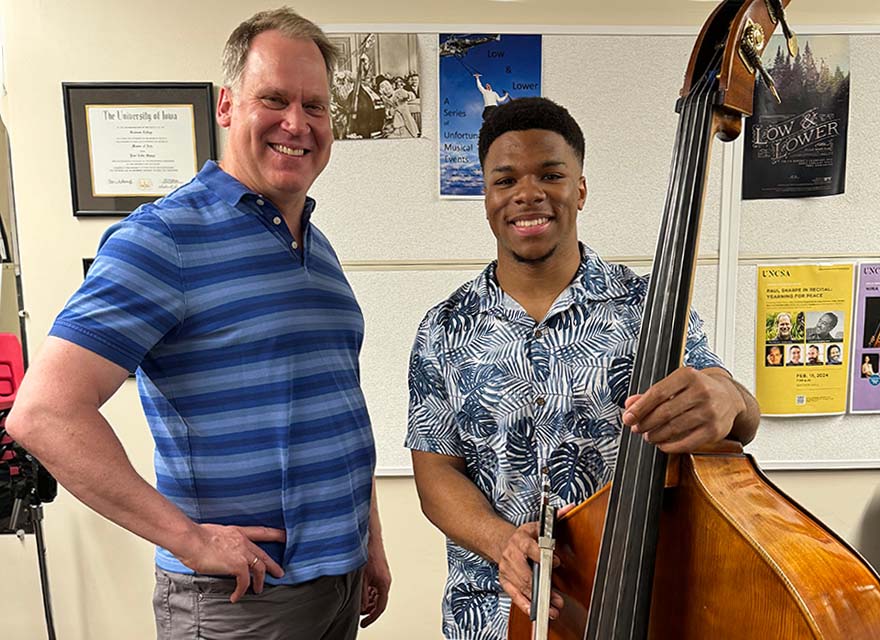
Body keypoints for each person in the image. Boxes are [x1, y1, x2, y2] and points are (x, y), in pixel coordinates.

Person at [6, 9, 390, 638]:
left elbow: (333, 405)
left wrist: (367, 539)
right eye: (274, 99)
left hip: (337, 584)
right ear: (227, 105)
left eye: (315, 106)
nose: (297, 124)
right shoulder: (163, 239)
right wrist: (190, 540)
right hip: (242, 598)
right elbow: (44, 413)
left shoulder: (316, 248)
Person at [405, 97, 760, 639]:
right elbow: (436, 474)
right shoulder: (444, 327)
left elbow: (737, 416)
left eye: (551, 174)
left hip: (635, 604)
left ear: (581, 189)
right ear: (486, 195)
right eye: (505, 180)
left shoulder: (651, 308)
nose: (528, 194)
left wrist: (730, 399)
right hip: (491, 610)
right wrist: (501, 541)